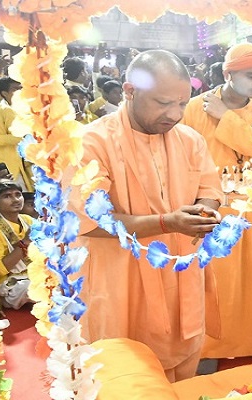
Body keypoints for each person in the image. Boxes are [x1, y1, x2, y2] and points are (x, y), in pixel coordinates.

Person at [72, 49, 223, 383]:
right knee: (124, 372)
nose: (175, 114)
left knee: (183, 364)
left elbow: (210, 187)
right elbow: (90, 220)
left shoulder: (190, 139)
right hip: (122, 277)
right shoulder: (92, 142)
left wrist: (205, 210)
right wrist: (166, 223)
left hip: (180, 269)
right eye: (163, 102)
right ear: (129, 91)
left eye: (183, 103)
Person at [181, 43, 252, 361]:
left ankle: (250, 346)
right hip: (211, 208)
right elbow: (184, 156)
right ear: (228, 74)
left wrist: (226, 119)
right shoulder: (195, 108)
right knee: (214, 282)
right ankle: (208, 348)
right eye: (251, 75)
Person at [0, 179, 33, 310]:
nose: (15, 200)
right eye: (7, 196)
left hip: (34, 273)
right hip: (10, 281)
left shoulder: (28, 220)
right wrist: (25, 242)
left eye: (18, 194)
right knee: (28, 288)